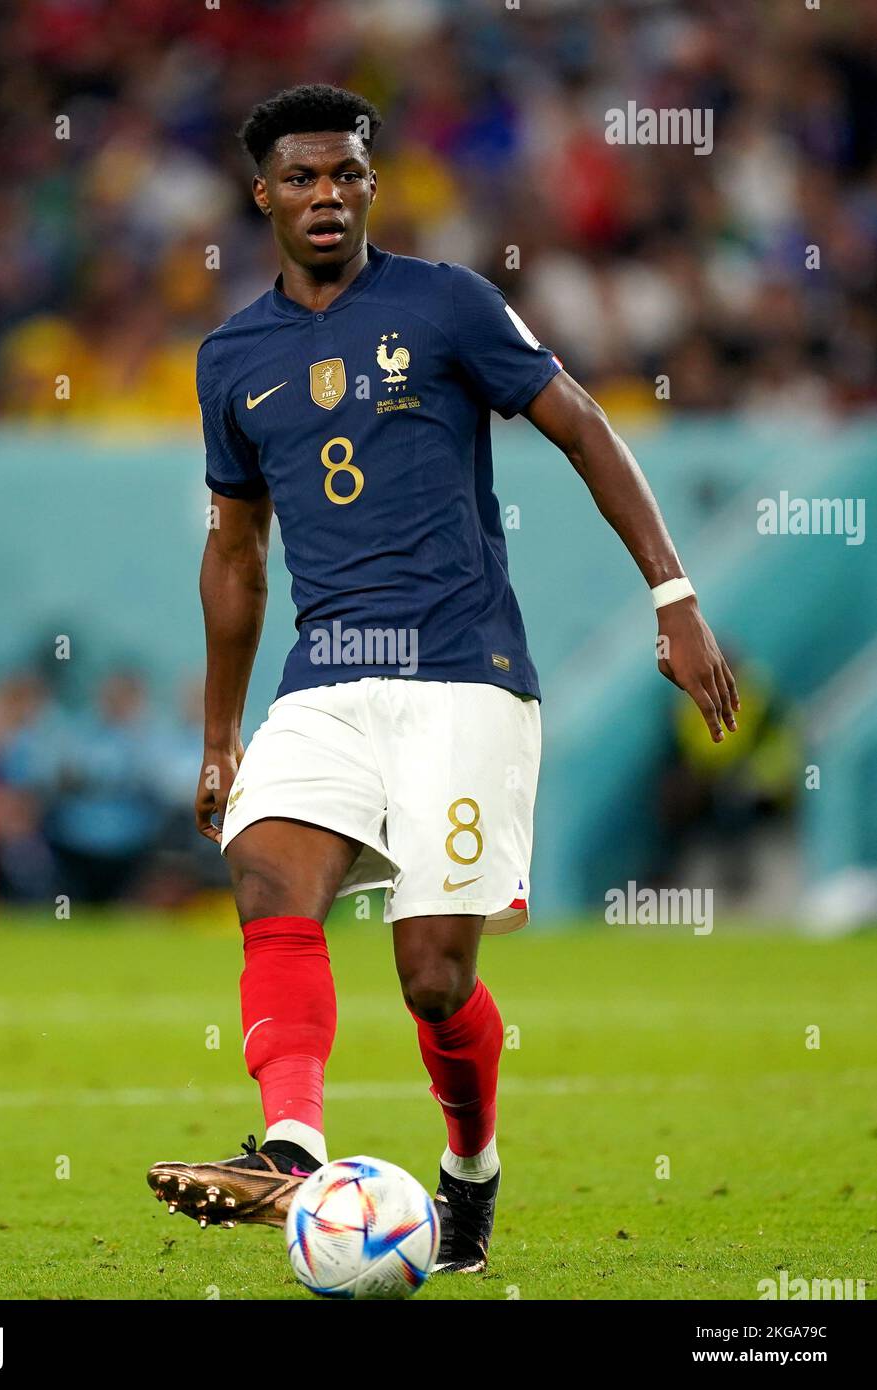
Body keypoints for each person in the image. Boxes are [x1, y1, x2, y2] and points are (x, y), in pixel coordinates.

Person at [147, 84, 739, 1275]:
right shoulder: (232, 358)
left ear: (373, 183)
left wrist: (672, 599)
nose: (329, 195)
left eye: (349, 175)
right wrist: (222, 735)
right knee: (265, 869)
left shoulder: (446, 304)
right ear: (262, 193)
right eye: (304, 178)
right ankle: (289, 1146)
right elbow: (234, 554)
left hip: (465, 676)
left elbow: (580, 427)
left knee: (431, 978)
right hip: (325, 682)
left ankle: (469, 1166)